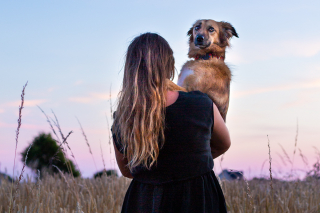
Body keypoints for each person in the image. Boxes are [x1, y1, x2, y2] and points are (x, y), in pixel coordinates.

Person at [112, 33, 231, 213]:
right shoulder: (201, 104)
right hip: (199, 199)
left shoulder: (124, 118)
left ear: (131, 70)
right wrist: (192, 162)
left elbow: (128, 170)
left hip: (145, 202)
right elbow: (224, 144)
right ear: (169, 66)